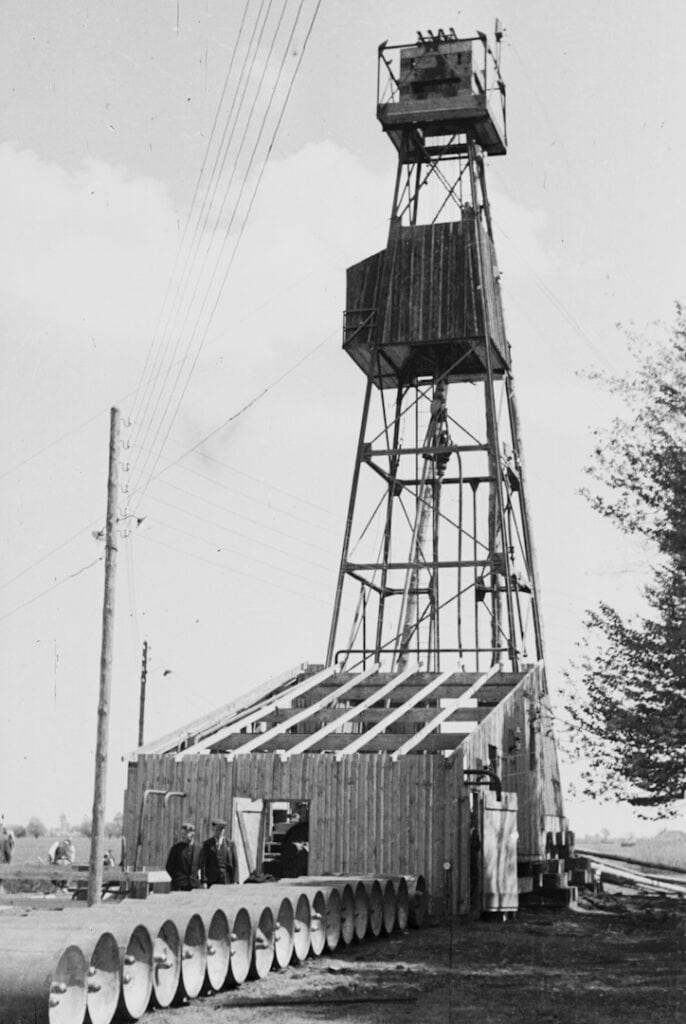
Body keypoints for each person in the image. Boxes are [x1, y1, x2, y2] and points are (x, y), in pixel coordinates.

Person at [200, 818, 238, 886]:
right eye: (217, 829)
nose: (219, 832)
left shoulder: (230, 844)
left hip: (227, 880)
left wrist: (235, 880)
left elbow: (235, 864)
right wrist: (204, 881)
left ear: (224, 830)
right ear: (213, 829)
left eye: (221, 830)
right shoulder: (207, 844)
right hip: (212, 880)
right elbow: (204, 864)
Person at [165, 822, 202, 891]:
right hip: (179, 885)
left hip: (194, 885)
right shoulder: (176, 849)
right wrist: (177, 878)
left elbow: (202, 866)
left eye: (185, 834)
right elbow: (169, 867)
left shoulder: (199, 849)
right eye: (182, 834)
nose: (183, 836)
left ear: (192, 834)